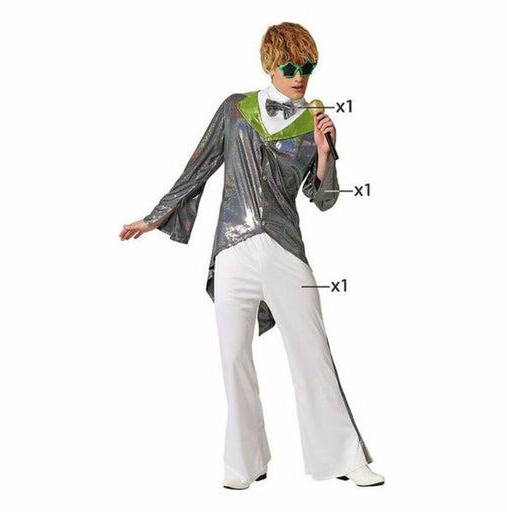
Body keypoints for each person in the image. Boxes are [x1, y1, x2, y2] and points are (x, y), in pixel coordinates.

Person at [120, 21, 385, 490]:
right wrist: (155, 216)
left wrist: (325, 154)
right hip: (232, 252)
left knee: (313, 354)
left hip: (286, 249)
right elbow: (199, 167)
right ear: (270, 65)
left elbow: (324, 200)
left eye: (307, 67)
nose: (300, 76)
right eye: (290, 67)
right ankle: (245, 464)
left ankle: (344, 457)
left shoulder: (315, 123)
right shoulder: (235, 109)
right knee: (233, 359)